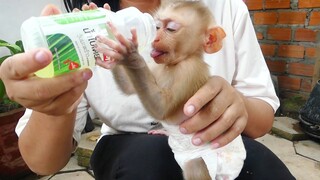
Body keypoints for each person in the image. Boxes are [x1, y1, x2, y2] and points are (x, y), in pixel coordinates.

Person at [0, 0, 295, 179]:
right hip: (131, 152)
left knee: (261, 165)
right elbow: (42, 161)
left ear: (209, 40)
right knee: (150, 162)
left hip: (208, 143)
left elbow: (262, 114)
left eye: (171, 29)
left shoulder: (221, 10)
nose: (155, 40)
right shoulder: (87, 23)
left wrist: (237, 106)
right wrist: (61, 100)